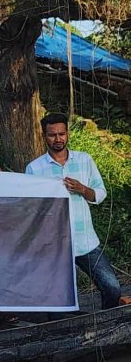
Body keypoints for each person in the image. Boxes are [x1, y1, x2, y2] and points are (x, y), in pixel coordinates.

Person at [26, 113, 122, 310]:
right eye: (52, 135)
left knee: (112, 288)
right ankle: (69, 334)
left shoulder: (84, 160)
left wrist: (83, 189)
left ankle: (105, 327)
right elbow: (30, 206)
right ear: (44, 136)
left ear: (68, 134)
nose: (58, 139)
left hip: (85, 241)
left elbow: (100, 193)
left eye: (62, 134)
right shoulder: (35, 169)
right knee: (59, 302)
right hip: (54, 245)